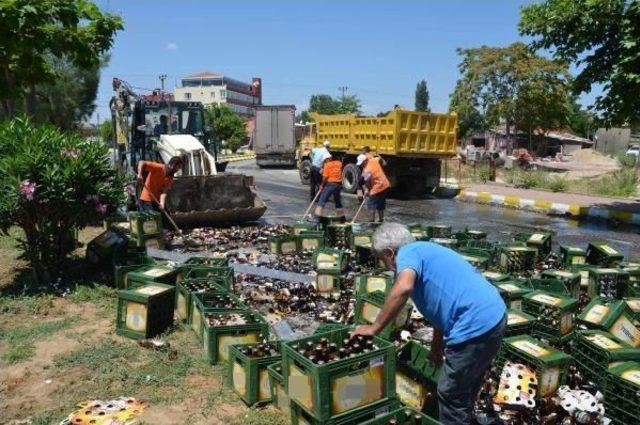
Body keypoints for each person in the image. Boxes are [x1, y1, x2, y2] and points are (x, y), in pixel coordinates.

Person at [351, 223, 506, 425]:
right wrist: (436, 344)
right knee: (466, 386)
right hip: (494, 317)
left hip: (473, 325)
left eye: (383, 259)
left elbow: (403, 287)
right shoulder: (426, 252)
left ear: (390, 253)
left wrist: (374, 328)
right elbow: (441, 304)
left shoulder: (407, 253)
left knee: (450, 393)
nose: (386, 266)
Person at [356, 153, 390, 222]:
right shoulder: (374, 160)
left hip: (377, 187)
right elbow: (381, 159)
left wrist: (366, 190)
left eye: (362, 163)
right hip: (385, 185)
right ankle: (381, 220)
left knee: (371, 204)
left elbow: (367, 182)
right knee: (381, 204)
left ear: (365, 160)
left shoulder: (367, 170)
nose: (361, 165)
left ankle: (372, 220)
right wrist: (384, 162)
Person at [314, 152, 345, 221]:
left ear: (328, 159)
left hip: (330, 184)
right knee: (338, 202)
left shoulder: (327, 165)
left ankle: (316, 218)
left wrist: (322, 185)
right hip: (338, 185)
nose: (324, 162)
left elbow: (325, 177)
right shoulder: (339, 163)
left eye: (325, 160)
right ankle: (342, 218)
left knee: (321, 201)